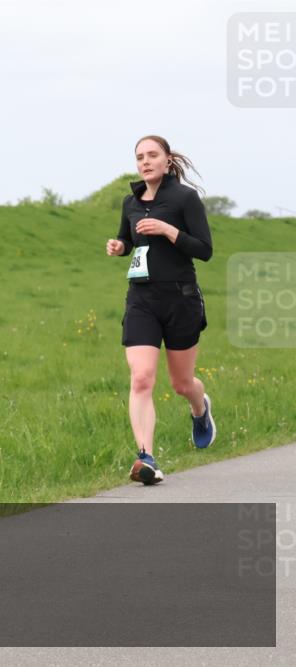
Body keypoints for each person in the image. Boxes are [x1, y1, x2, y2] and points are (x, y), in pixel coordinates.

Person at [106, 135, 216, 485]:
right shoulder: (131, 201)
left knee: (182, 383)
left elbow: (204, 249)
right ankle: (146, 458)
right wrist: (119, 245)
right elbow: (129, 241)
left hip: (180, 298)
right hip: (141, 299)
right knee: (140, 378)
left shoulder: (185, 198)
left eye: (153, 155)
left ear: (168, 160)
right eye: (140, 157)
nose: (145, 161)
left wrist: (168, 230)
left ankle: (200, 408)